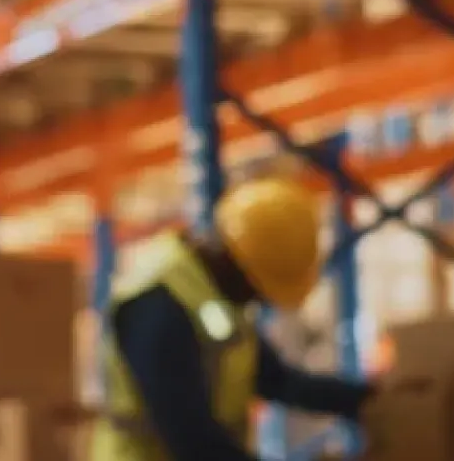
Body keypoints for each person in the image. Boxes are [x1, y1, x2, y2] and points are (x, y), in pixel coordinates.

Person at [91, 177, 377, 461]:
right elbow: (192, 440)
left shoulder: (216, 297)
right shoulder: (157, 307)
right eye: (259, 290)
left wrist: (368, 399)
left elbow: (277, 381)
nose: (259, 301)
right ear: (240, 267)